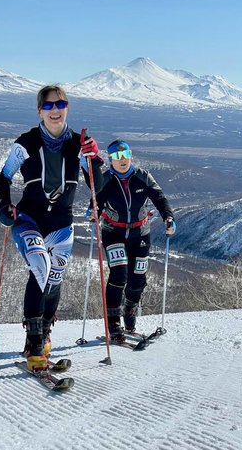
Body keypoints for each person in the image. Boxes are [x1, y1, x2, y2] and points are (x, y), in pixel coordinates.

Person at [0, 84, 103, 370]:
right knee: (40, 267)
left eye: (60, 104)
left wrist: (95, 160)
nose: (54, 110)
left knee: (54, 279)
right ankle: (33, 346)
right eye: (48, 105)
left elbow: (98, 185)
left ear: (67, 107)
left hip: (62, 225)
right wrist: (5, 206)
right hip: (29, 220)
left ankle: (44, 335)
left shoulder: (79, 143)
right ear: (39, 110)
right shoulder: (26, 142)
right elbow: (5, 176)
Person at [94, 139, 175, 342]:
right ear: (110, 160)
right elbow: (97, 202)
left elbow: (159, 198)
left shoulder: (142, 177)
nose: (122, 160)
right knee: (119, 274)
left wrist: (168, 217)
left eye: (126, 155)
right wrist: (93, 211)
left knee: (138, 278)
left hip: (140, 232)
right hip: (114, 231)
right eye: (116, 157)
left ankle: (129, 315)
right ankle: (113, 324)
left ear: (131, 156)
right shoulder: (105, 179)